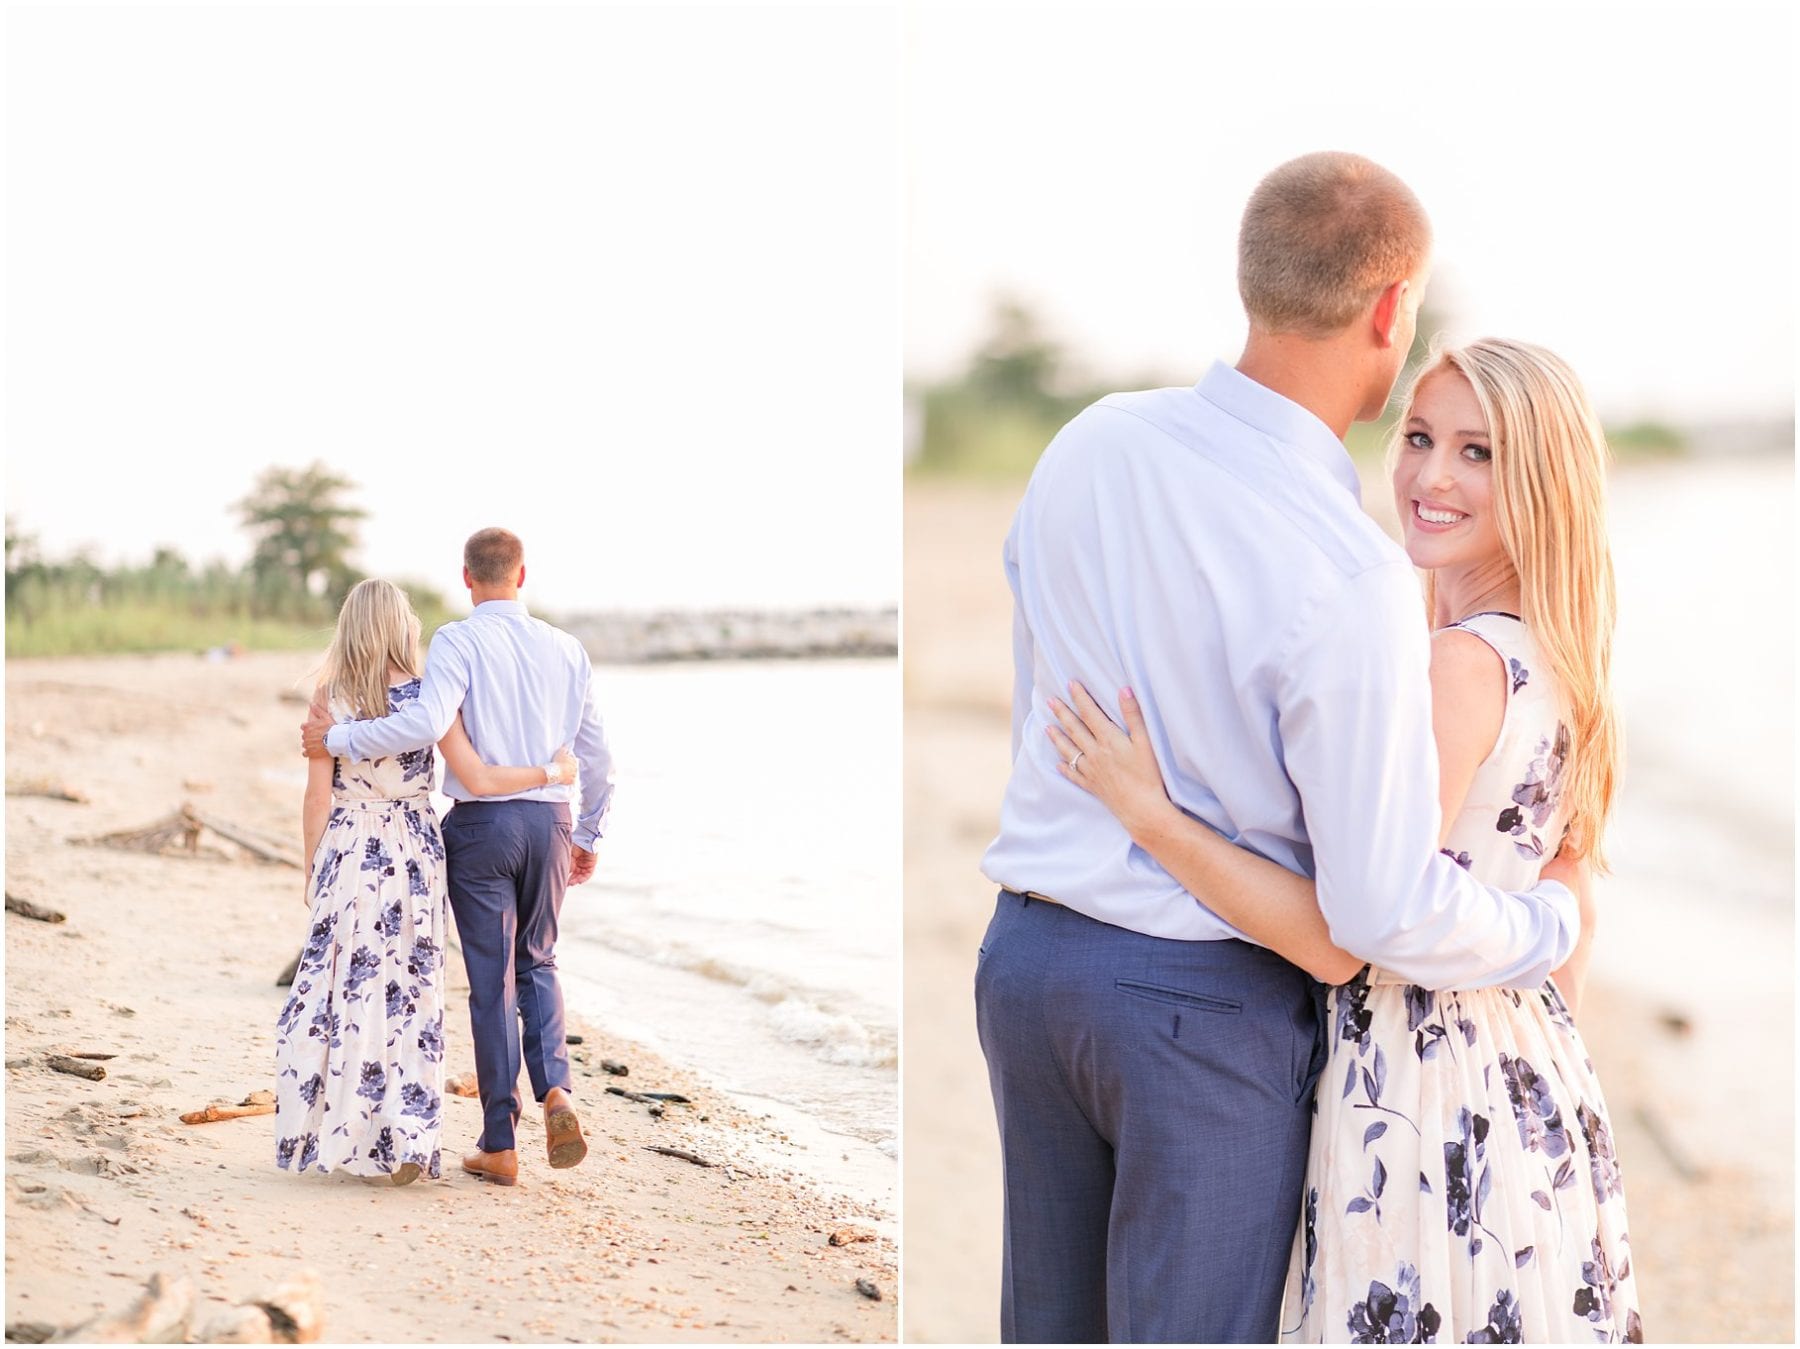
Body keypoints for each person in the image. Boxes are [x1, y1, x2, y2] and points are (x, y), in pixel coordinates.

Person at [975, 152, 1584, 1343]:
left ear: (1250, 278)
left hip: (1028, 964)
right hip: (1197, 1004)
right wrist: (1551, 924)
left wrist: (1131, 814)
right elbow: (1366, 919)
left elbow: (1036, 671)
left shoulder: (1091, 442)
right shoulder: (1345, 568)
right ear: (1390, 310)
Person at [1050, 337, 1641, 1341]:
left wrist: (1149, 812)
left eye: (1479, 452)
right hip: (1536, 1075)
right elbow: (1574, 898)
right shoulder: (1560, 657)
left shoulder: (1458, 666)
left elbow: (1361, 919)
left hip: (1425, 1080)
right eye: (1418, 437)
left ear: (1543, 480)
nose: (1430, 475)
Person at [300, 528, 615, 1187]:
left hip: (482, 827)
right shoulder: (569, 649)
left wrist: (336, 737)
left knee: (493, 981)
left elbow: (423, 724)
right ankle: (556, 1087)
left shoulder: (458, 639)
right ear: (522, 576)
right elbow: (598, 757)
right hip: (550, 820)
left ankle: (501, 1142)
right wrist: (588, 832)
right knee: (541, 960)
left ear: (468, 578)